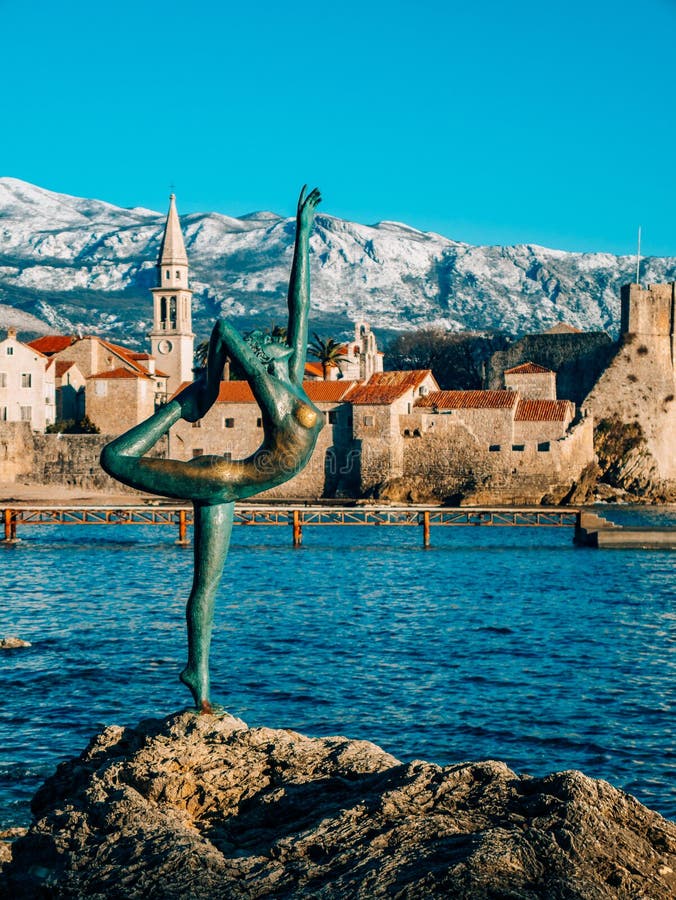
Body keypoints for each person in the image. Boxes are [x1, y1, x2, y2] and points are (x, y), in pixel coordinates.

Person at [101, 186, 323, 713]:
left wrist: (303, 237)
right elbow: (224, 327)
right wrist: (211, 386)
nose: (274, 341)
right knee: (114, 459)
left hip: (228, 483)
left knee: (208, 586)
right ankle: (184, 405)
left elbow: (301, 306)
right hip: (221, 482)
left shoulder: (287, 380)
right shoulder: (270, 391)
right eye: (267, 345)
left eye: (271, 342)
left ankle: (197, 674)